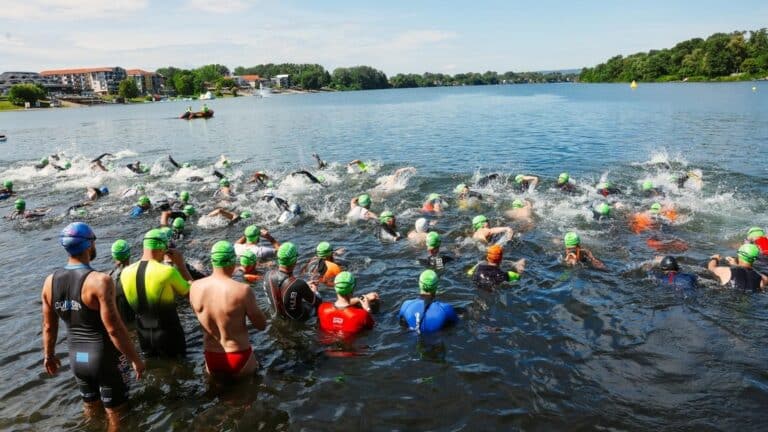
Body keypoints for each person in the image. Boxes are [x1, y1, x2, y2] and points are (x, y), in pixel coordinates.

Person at [41, 223, 144, 431]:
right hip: (104, 359)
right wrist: (135, 359)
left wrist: (49, 356)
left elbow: (48, 327)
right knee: (117, 416)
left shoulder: (49, 281)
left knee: (91, 408)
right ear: (89, 245)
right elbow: (114, 328)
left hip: (77, 358)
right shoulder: (100, 281)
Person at [189, 241, 267, 380]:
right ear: (232, 261)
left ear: (213, 261)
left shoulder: (195, 287)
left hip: (211, 357)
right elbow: (261, 326)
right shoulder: (243, 290)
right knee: (247, 397)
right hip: (238, 355)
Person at [120, 229, 193, 357]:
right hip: (169, 335)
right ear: (162, 248)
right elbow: (192, 295)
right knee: (178, 369)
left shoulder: (125, 273)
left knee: (152, 368)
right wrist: (181, 265)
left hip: (143, 336)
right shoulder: (167, 272)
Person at [263, 242, 321, 321]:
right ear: (295, 260)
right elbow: (317, 302)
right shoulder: (299, 284)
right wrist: (314, 290)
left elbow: (281, 290)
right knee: (319, 301)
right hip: (298, 319)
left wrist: (303, 286)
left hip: (276, 316)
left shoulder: (268, 275)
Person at [317, 272, 378, 336]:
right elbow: (372, 326)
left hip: (326, 343)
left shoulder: (323, 308)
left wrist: (359, 299)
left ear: (335, 288)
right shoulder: (362, 315)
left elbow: (341, 305)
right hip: (351, 345)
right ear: (353, 288)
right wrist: (367, 309)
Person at [399, 270, 458, 334]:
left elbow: (402, 325)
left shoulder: (406, 305)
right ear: (436, 286)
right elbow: (456, 325)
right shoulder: (446, 309)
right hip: (436, 341)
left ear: (419, 284)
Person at [108, 239, 135, 325]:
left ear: (114, 256)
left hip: (120, 324)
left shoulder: (108, 277)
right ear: (129, 254)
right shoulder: (137, 273)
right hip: (137, 322)